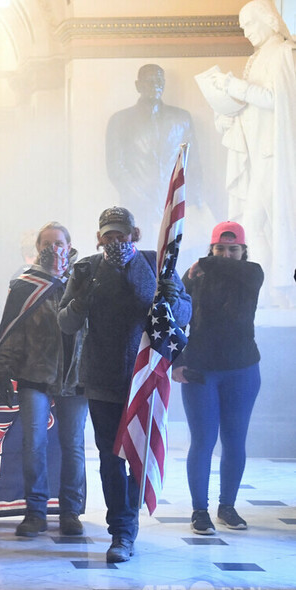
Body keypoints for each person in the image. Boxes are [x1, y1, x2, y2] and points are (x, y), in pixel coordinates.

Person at [58, 206, 191, 563]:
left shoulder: (154, 263)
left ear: (134, 234)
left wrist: (170, 297)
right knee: (110, 457)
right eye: (109, 235)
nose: (116, 240)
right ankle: (120, 530)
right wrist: (82, 297)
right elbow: (66, 322)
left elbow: (184, 314)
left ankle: (128, 523)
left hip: (143, 377)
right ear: (99, 237)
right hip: (101, 378)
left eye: (122, 233)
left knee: (138, 455)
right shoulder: (86, 268)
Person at [0, 222, 88, 537]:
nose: (53, 248)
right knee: (33, 443)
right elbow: (12, 330)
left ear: (69, 245)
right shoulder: (25, 285)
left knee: (73, 445)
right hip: (34, 373)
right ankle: (35, 511)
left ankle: (70, 511)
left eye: (59, 242)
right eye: (46, 243)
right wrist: (3, 368)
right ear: (37, 248)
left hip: (75, 376)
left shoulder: (84, 281)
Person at [172, 222, 263, 535]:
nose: (226, 254)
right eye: (219, 248)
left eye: (233, 249)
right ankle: (200, 510)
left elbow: (233, 270)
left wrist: (206, 263)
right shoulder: (195, 276)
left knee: (235, 441)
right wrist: (177, 361)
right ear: (211, 248)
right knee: (203, 441)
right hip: (201, 370)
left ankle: (228, 506)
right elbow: (176, 319)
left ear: (243, 251)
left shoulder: (252, 273)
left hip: (242, 370)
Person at [206, 0, 296, 301]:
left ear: (268, 20)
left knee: (267, 222)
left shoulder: (282, 52)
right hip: (259, 153)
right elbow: (254, 106)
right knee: (254, 224)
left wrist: (234, 86)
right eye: (243, 28)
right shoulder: (257, 58)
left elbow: (277, 100)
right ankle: (269, 289)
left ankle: (278, 288)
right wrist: (227, 109)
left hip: (274, 154)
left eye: (249, 25)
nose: (246, 33)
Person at [106, 64, 201, 236]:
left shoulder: (181, 118)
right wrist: (141, 196)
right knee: (140, 247)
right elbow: (115, 166)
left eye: (159, 81)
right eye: (149, 81)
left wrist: (192, 198)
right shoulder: (120, 120)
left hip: (174, 204)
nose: (155, 85)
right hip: (136, 206)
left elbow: (192, 162)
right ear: (138, 85)